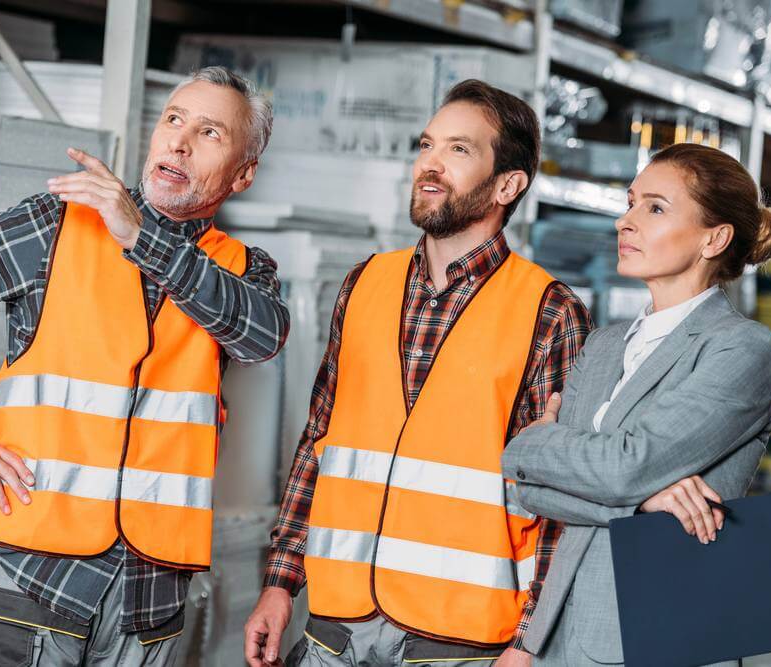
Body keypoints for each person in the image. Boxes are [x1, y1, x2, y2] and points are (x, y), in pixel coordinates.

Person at [0, 66, 289, 665]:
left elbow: (261, 337)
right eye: (173, 119)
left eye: (210, 132)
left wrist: (142, 237)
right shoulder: (56, 224)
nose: (179, 140)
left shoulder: (245, 271)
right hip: (34, 575)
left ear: (243, 174)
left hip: (151, 598)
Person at [244, 79, 592, 667]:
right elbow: (319, 441)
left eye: (459, 149)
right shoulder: (363, 284)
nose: (430, 163)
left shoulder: (550, 312)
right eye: (427, 144)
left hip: (458, 639)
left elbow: (562, 497)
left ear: (508, 184)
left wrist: (530, 641)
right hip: (338, 625)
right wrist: (281, 582)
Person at [500, 143, 771, 666]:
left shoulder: (741, 349)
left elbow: (623, 467)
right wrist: (641, 503)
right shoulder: (604, 345)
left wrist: (539, 442)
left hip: (658, 635)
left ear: (714, 238)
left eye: (654, 208)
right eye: (630, 202)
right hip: (556, 633)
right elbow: (527, 489)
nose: (624, 222)